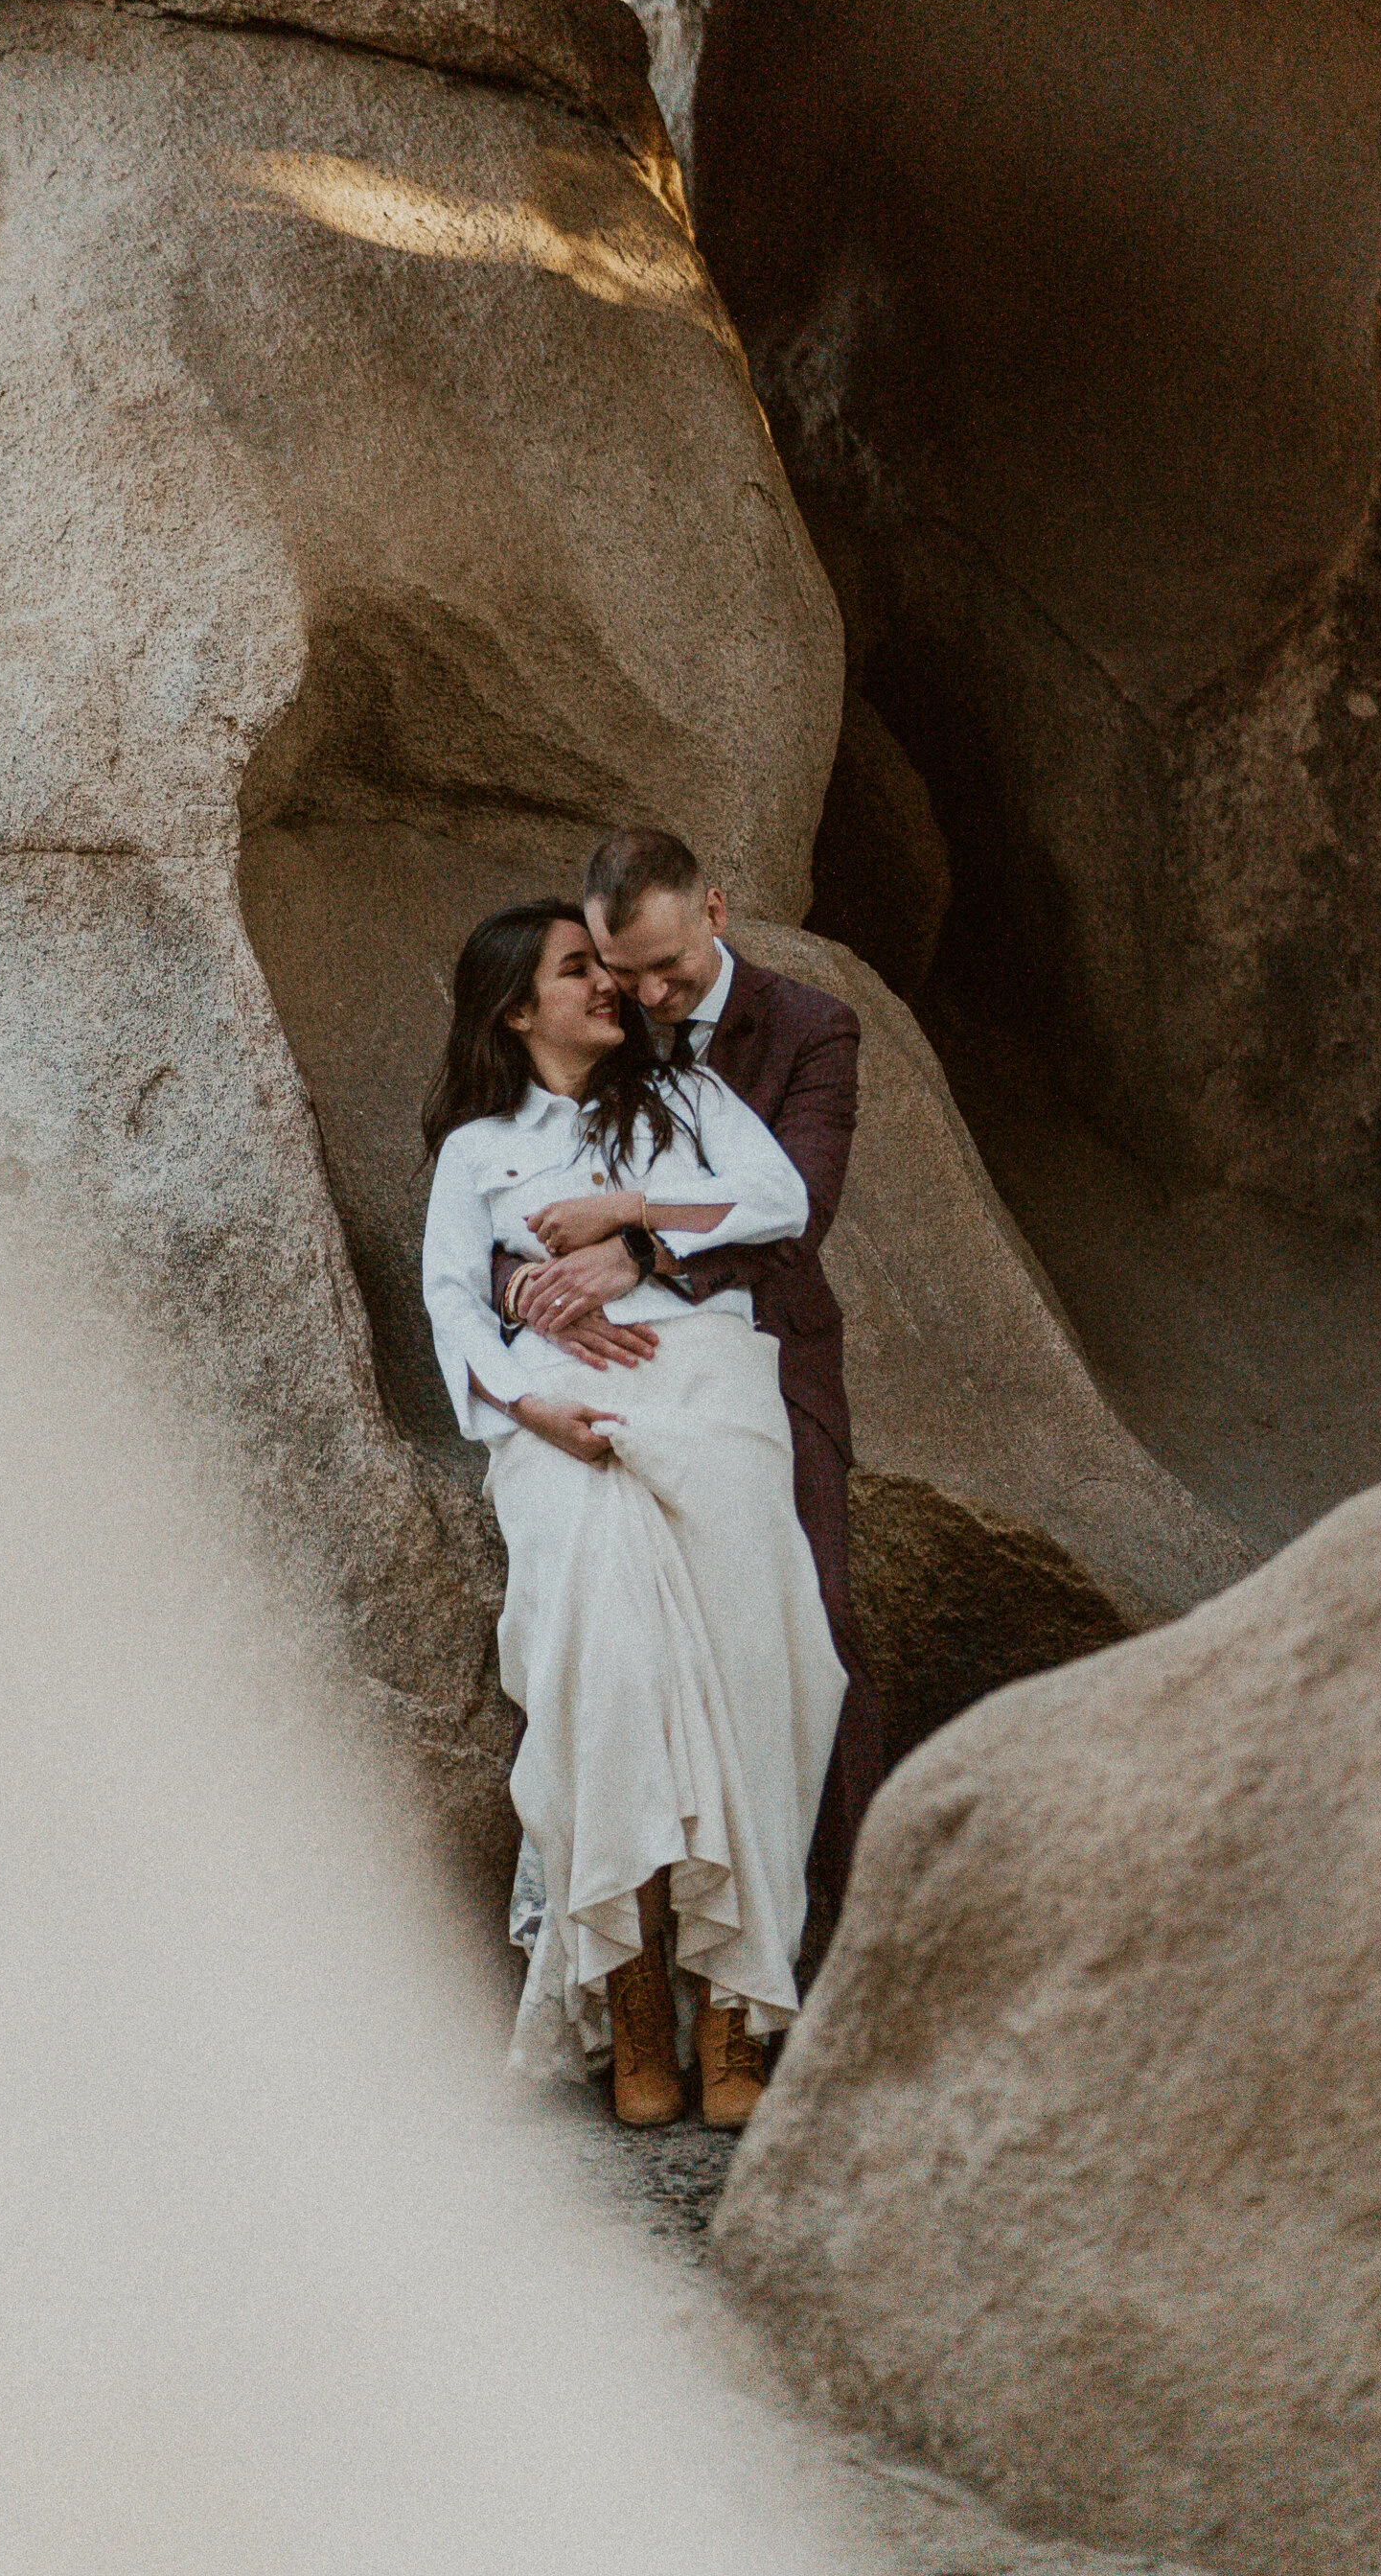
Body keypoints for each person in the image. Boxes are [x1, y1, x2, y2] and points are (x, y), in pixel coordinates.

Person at [421, 900, 846, 2129]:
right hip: (566, 1420)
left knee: (763, 1669)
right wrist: (524, 1408)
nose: (606, 986)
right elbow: (452, 1305)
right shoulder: (477, 1150)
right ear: (517, 1007)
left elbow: (776, 1204)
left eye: (605, 966)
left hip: (711, 1394)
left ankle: (736, 2006)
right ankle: (635, 1992)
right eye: (576, 971)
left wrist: (632, 1222)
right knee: (607, 1676)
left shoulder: (690, 1104)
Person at [491, 827, 885, 1927]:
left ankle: (852, 1929)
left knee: (818, 1616)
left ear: (715, 909)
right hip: (601, 1364)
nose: (652, 992)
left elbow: (795, 1212)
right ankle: (614, 1943)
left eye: (671, 965)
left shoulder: (810, 1028)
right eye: (627, 972)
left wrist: (638, 1248)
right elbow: (486, 1181)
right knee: (589, 1615)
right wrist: (521, 1288)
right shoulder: (591, 1019)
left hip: (765, 1344)